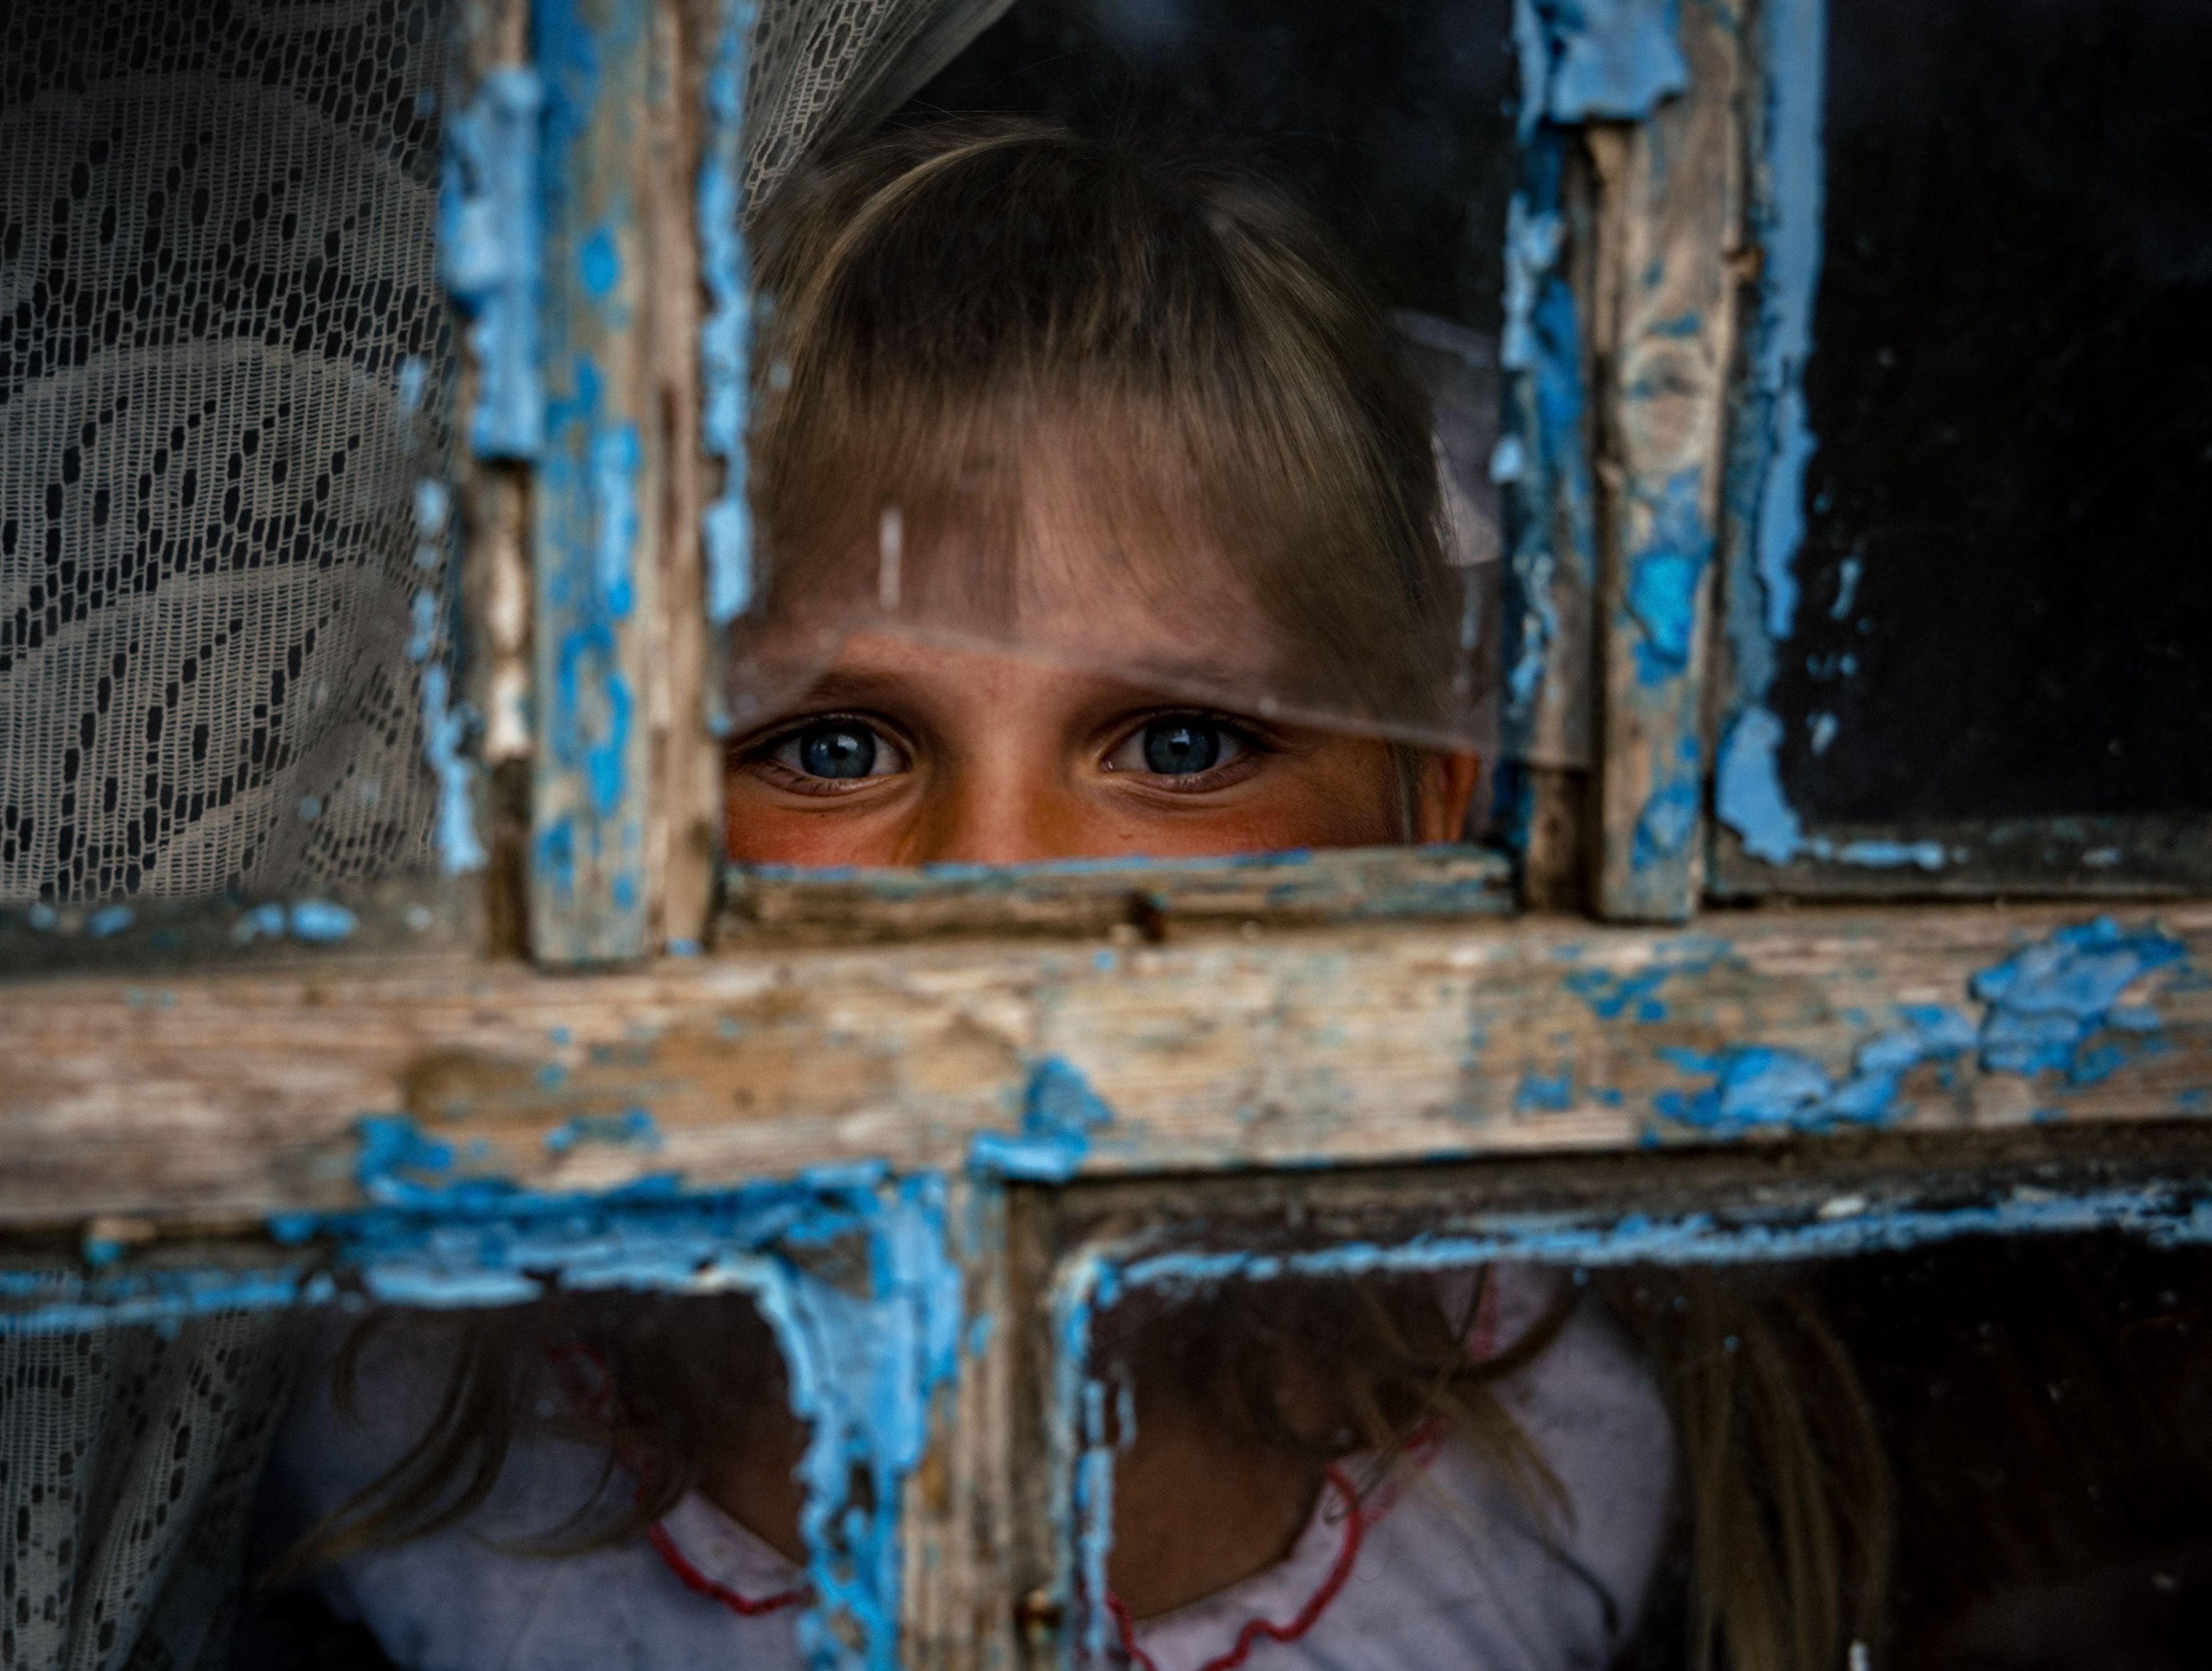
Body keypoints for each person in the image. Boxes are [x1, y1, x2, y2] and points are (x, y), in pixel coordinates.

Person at [256, 119, 1887, 1671]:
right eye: (833, 745)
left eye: (1179, 742)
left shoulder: (1530, 1469)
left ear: (1420, 821)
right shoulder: (439, 1446)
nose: (996, 879)